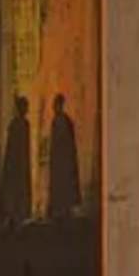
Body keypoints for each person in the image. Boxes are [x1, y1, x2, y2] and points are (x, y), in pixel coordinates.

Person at [44, 94, 84, 224]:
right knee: (61, 185)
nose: (54, 107)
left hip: (63, 162)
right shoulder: (61, 121)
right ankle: (61, 210)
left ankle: (63, 210)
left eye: (56, 105)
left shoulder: (62, 121)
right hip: (61, 161)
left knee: (62, 185)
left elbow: (64, 143)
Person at [0, 95, 33, 232]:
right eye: (24, 107)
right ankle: (14, 216)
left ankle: (15, 217)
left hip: (17, 163)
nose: (26, 109)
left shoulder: (20, 124)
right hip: (16, 163)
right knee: (15, 189)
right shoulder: (19, 125)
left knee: (16, 190)